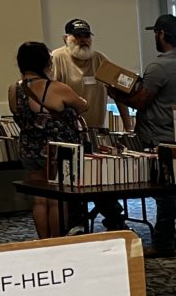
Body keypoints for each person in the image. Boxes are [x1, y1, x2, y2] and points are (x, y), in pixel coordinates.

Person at [109, 14, 176, 257]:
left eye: (155, 34)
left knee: (164, 194)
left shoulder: (159, 67)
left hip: (158, 136)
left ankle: (163, 243)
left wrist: (118, 95)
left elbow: (141, 101)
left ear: (161, 34)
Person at [51, 18, 129, 231]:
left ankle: (116, 223)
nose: (83, 40)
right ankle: (77, 225)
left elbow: (120, 92)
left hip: (96, 133)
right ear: (66, 38)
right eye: (78, 36)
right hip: (67, 135)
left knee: (101, 181)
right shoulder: (56, 59)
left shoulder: (100, 60)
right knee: (74, 182)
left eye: (86, 36)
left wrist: (128, 126)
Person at [8, 41, 88, 239]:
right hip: (58, 151)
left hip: (29, 149)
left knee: (39, 200)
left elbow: (17, 113)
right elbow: (82, 106)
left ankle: (44, 242)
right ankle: (57, 241)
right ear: (45, 62)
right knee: (58, 200)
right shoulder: (57, 88)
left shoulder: (13, 89)